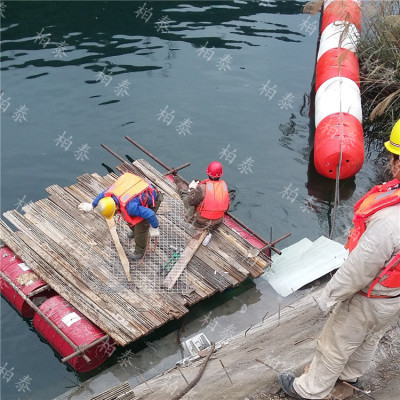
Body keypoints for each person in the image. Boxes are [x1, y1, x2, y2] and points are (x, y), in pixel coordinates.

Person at [278, 119, 400, 400]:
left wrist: (328, 297)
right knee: (370, 337)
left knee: (335, 343)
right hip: (393, 296)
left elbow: (360, 268)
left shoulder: (389, 221)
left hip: (370, 297)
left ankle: (309, 391)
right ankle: (350, 375)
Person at [78, 172, 163, 260]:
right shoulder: (110, 194)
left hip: (152, 200)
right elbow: (101, 195)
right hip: (136, 195)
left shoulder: (131, 207)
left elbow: (150, 214)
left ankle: (139, 250)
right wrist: (92, 205)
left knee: (141, 227)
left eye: (114, 213)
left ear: (116, 207)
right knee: (129, 219)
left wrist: (155, 227)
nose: (114, 215)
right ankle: (134, 232)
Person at [173, 161, 231, 229]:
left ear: (208, 174)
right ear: (220, 175)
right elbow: (227, 207)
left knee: (186, 196)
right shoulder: (224, 186)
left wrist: (193, 191)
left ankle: (177, 181)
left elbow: (190, 201)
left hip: (201, 222)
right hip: (217, 223)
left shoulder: (202, 188)